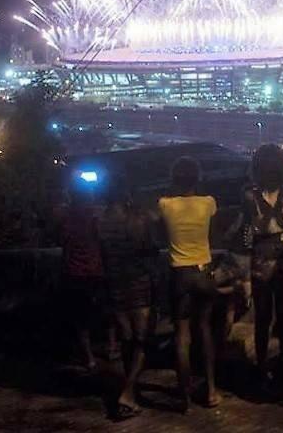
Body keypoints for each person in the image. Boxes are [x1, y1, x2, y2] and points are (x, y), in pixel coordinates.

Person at [158, 156, 221, 411]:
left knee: (181, 335)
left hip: (178, 274)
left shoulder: (165, 204)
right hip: (203, 270)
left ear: (174, 179)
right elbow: (213, 233)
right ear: (197, 178)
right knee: (204, 329)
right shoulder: (208, 203)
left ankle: (184, 395)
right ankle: (211, 390)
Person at [239, 143, 283, 389]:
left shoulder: (249, 196)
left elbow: (246, 232)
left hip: (261, 257)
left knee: (263, 316)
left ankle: (262, 365)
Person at [99, 178, 159, 420]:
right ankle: (128, 391)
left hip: (114, 285)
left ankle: (129, 389)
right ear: (127, 197)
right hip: (139, 284)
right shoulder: (137, 220)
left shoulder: (101, 223)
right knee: (142, 340)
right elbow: (150, 250)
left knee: (126, 340)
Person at [59, 188, 104, 371]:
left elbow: (64, 245)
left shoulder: (67, 221)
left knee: (81, 318)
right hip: (95, 271)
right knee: (103, 312)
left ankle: (89, 357)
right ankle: (109, 347)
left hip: (75, 273)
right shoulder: (94, 220)